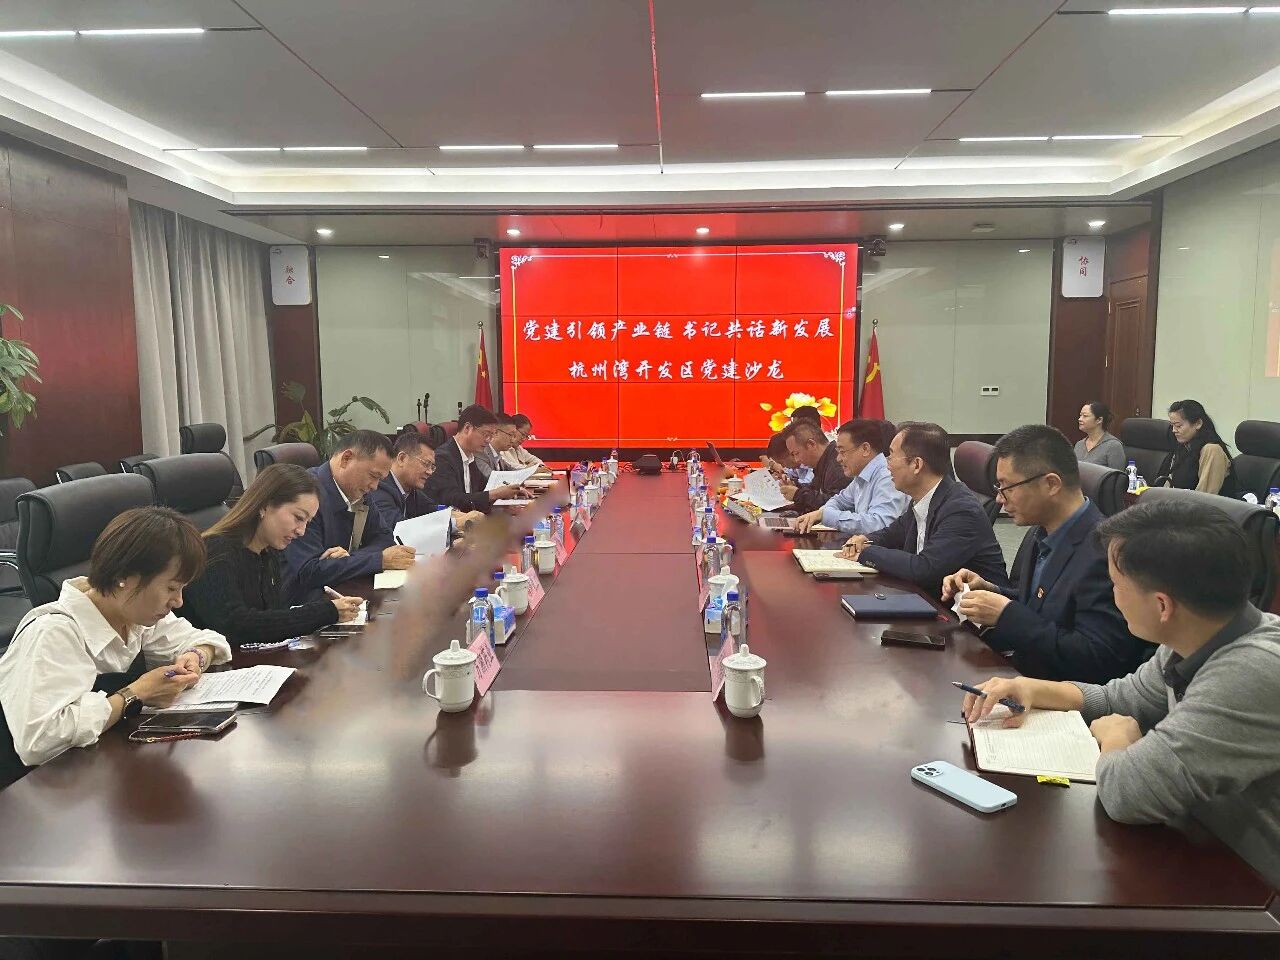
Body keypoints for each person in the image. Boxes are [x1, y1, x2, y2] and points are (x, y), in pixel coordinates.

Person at [961, 499, 1280, 889]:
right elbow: (1123, 699)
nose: (1111, 596)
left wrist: (1118, 738)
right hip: (1200, 843)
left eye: (1116, 585)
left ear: (1162, 605)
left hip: (1254, 890)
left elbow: (1128, 793)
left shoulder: (1251, 672)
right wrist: (1031, 688)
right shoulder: (1196, 634)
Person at [0, 507, 232, 787]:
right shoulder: (54, 632)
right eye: (171, 588)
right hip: (33, 790)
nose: (179, 601)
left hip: (97, 771)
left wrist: (196, 656)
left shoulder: (134, 614)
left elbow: (205, 640)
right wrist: (136, 693)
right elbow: (39, 741)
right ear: (125, 577)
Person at [942, 425, 1148, 683]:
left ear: (1051, 484)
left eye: (1007, 487)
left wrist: (1006, 614)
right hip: (1022, 677)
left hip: (1061, 694)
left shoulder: (1105, 552)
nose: (999, 499)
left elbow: (1097, 657)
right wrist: (992, 591)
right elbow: (1044, 605)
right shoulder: (1041, 531)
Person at [180, 464, 365, 648]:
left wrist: (324, 580)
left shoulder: (268, 552)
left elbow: (273, 614)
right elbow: (236, 626)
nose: (301, 531)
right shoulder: (214, 551)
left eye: (307, 522)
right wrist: (324, 612)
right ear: (264, 506)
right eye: (298, 518)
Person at [840, 422, 1008, 596]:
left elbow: (924, 569)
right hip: (930, 598)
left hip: (967, 610)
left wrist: (867, 552)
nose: (887, 465)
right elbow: (893, 533)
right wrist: (865, 539)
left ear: (916, 465)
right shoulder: (923, 498)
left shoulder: (961, 510)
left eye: (891, 456)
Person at [281, 430, 416, 603]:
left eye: (380, 480)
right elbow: (309, 571)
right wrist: (378, 560)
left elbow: (384, 538)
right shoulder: (307, 495)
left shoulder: (359, 493)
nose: (375, 487)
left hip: (341, 589)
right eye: (373, 476)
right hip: (303, 602)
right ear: (346, 459)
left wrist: (352, 557)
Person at [794, 418, 907, 536]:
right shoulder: (860, 476)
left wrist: (826, 515)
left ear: (865, 449)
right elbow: (839, 500)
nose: (838, 459)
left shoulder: (887, 476)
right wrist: (822, 513)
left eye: (842, 452)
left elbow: (879, 524)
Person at [424, 404, 523, 514]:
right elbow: (452, 500)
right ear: (467, 428)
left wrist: (511, 491)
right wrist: (495, 494)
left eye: (491, 436)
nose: (488, 440)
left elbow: (483, 489)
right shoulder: (442, 458)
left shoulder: (470, 456)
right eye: (486, 434)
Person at [1157, 399, 1238, 497]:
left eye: (1178, 426)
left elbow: (1205, 497)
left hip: (1208, 506)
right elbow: (1168, 485)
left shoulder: (1212, 450)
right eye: (1172, 425)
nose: (1174, 430)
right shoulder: (1183, 447)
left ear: (1198, 423)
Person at [780, 421, 845, 512]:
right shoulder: (823, 462)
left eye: (796, 453)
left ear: (811, 444)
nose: (796, 460)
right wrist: (796, 488)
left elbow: (838, 505)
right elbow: (816, 493)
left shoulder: (838, 465)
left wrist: (798, 494)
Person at [1074, 401, 1127, 469]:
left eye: (1085, 416)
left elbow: (1118, 475)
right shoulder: (1079, 445)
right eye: (1080, 415)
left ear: (1099, 420)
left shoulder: (1113, 446)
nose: (1080, 419)